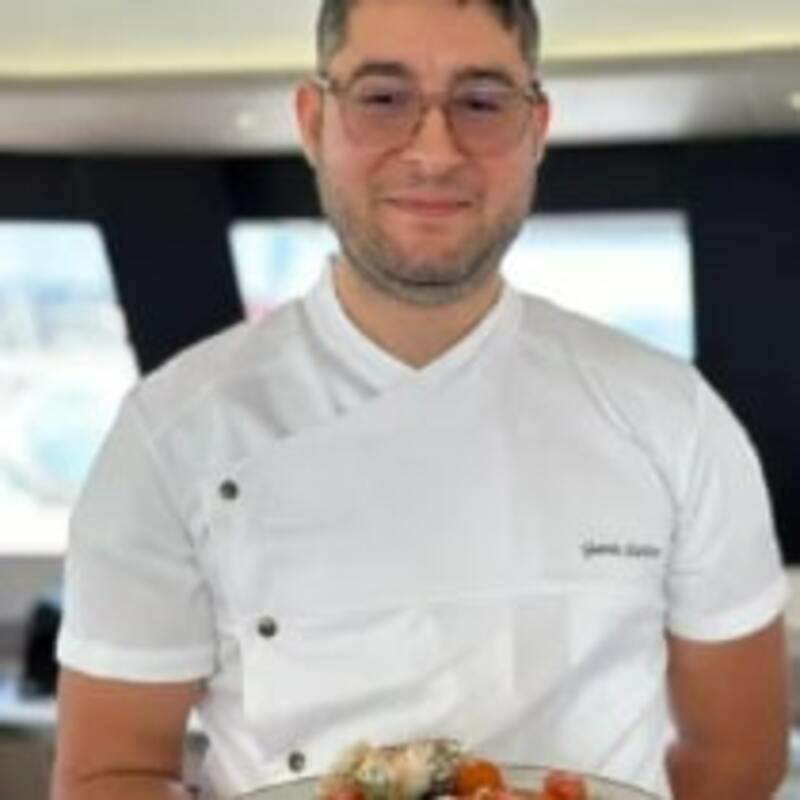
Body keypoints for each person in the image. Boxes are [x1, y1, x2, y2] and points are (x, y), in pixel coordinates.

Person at [52, 1, 792, 799]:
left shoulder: (675, 420)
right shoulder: (172, 433)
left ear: (536, 129)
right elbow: (109, 774)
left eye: (481, 101)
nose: (434, 151)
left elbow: (736, 757)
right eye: (383, 97)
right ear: (314, 121)